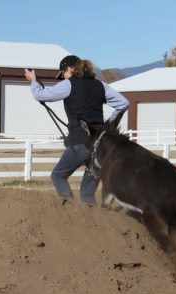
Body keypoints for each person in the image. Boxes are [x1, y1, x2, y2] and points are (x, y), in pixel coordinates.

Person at [24, 55, 129, 205]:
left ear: (69, 69)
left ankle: (71, 210)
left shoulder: (69, 84)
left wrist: (33, 81)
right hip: (101, 147)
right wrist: (108, 125)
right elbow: (123, 103)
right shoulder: (101, 85)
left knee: (58, 176)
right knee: (87, 195)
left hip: (80, 143)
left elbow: (40, 94)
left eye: (63, 74)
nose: (63, 78)